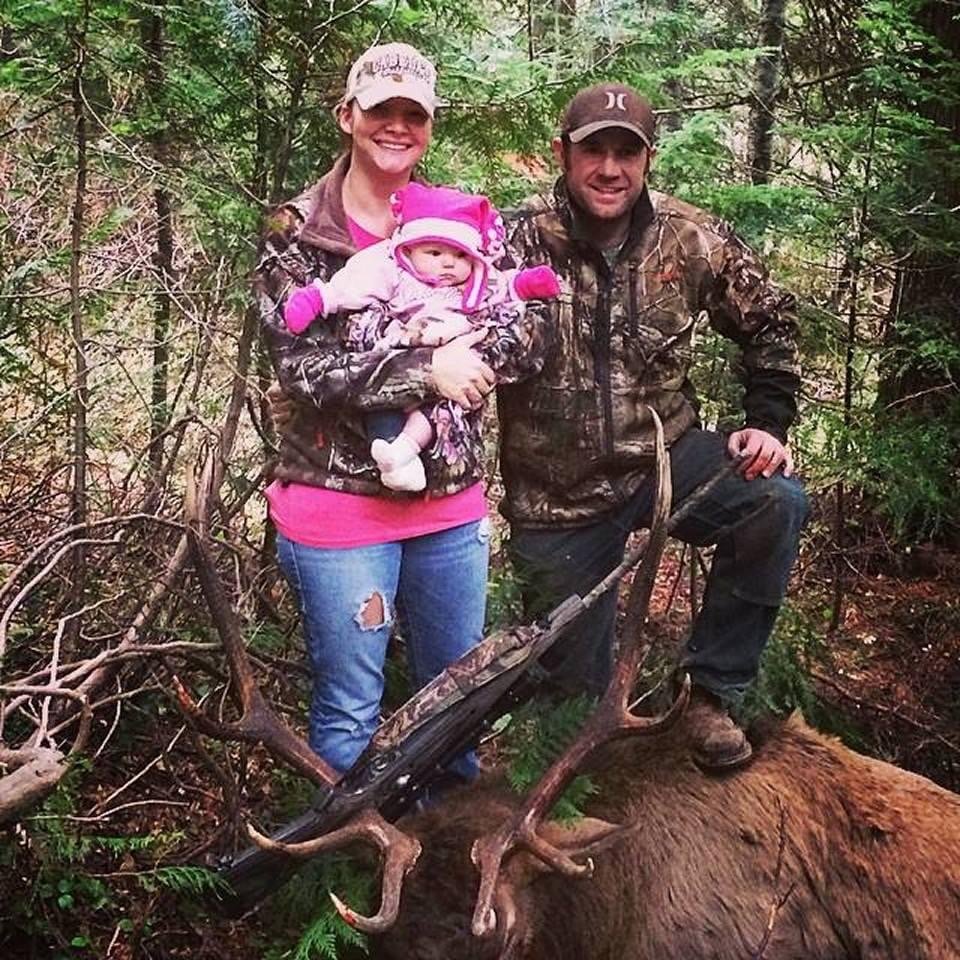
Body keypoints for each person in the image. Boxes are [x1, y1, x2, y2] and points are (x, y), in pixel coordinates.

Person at [493, 83, 810, 770]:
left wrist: (767, 422)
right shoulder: (512, 239)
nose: (611, 169)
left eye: (626, 153)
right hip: (557, 498)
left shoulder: (689, 237)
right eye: (594, 151)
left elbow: (772, 321)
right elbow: (434, 311)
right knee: (572, 726)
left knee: (774, 500)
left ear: (648, 159)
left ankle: (712, 694)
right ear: (563, 154)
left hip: (666, 461)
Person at [253, 42, 546, 780]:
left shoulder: (465, 224)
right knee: (351, 716)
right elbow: (302, 367)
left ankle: (448, 883)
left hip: (448, 509)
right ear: (348, 114)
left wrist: (462, 355)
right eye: (381, 109)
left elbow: (523, 336)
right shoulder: (296, 233)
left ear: (429, 126)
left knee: (456, 713)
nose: (396, 125)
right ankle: (350, 873)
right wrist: (429, 368)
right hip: (337, 510)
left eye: (412, 113)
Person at [281, 182, 559, 491]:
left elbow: (502, 289)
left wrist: (526, 284)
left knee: (439, 412)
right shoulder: (391, 270)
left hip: (451, 442)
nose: (448, 262)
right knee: (384, 412)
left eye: (459, 255)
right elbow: (351, 288)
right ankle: (393, 454)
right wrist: (318, 299)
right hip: (394, 361)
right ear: (410, 248)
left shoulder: (471, 283)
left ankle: (404, 454)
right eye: (436, 252)